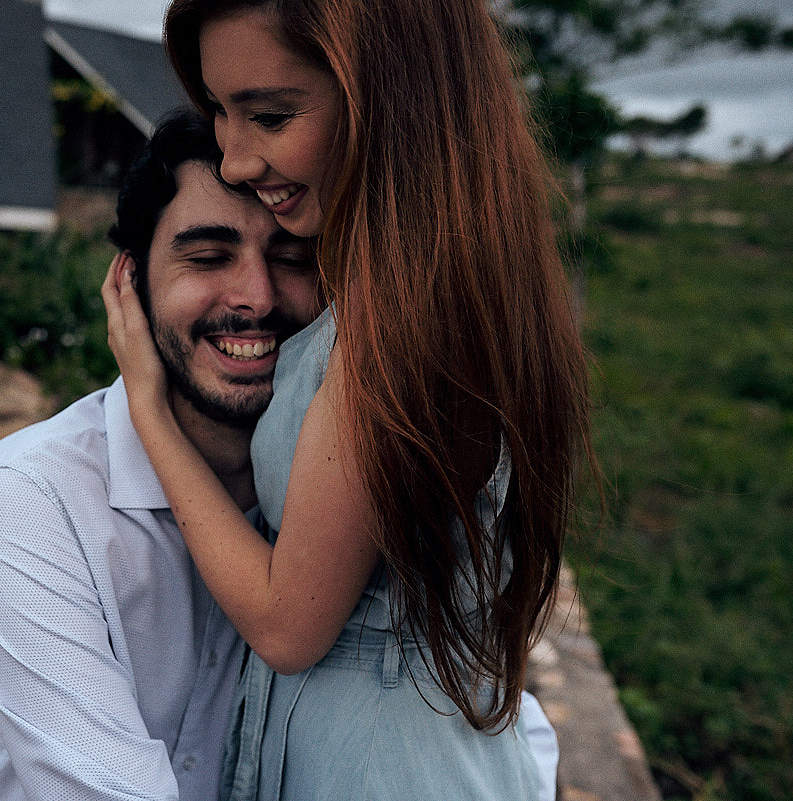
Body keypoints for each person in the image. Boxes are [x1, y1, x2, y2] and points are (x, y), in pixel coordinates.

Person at [101, 2, 589, 800]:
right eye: (221, 113)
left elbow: (287, 624)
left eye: (269, 115)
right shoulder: (435, 301)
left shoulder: (387, 342)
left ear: (392, 102)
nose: (232, 160)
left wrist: (148, 408)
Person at [0, 110, 323, 801]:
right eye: (208, 257)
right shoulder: (34, 498)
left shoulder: (336, 491)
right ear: (131, 281)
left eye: (292, 257)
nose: (257, 297)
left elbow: (482, 715)